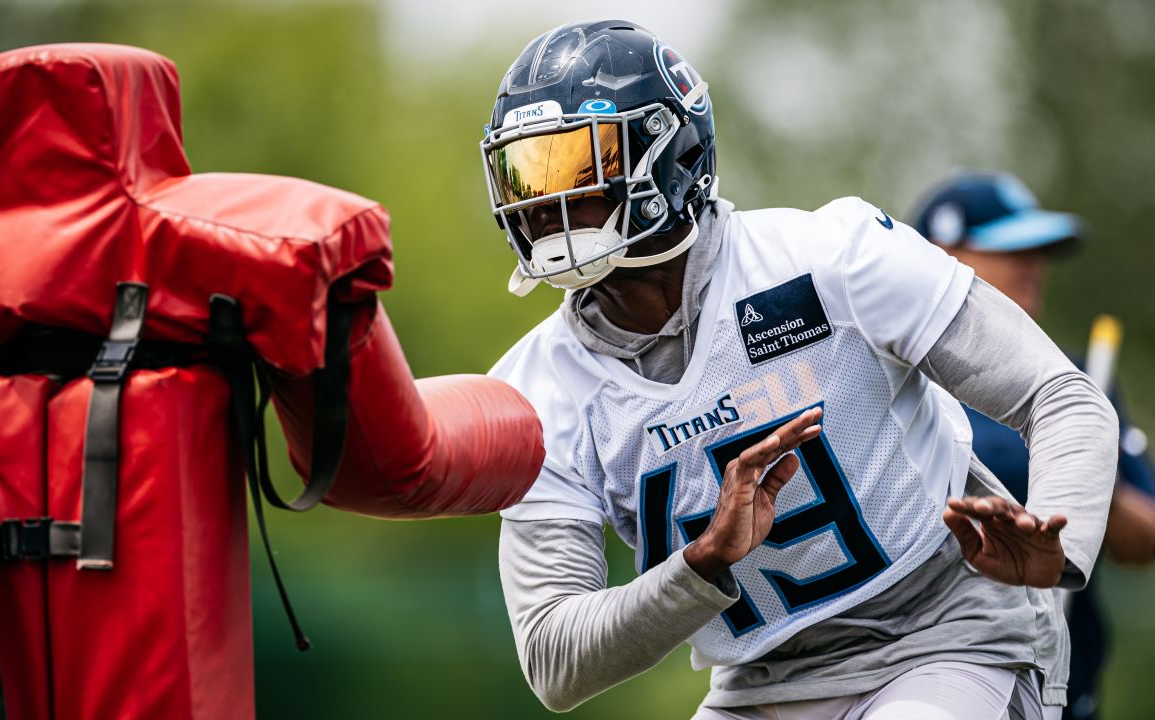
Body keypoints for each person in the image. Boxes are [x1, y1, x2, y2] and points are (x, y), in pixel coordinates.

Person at [479, 20, 1119, 719]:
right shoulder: (536, 390)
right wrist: (700, 564)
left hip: (945, 634)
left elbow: (1061, 395)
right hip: (759, 684)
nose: (545, 203)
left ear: (670, 150)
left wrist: (1062, 549)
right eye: (524, 174)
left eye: (575, 166)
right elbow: (555, 660)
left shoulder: (832, 258)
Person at [909, 171, 1155, 720]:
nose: (1033, 265)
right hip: (909, 685)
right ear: (936, 256)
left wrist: (1093, 482)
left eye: (1039, 251)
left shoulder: (1075, 383)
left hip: (1059, 696)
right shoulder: (890, 384)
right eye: (1008, 248)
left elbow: (1144, 544)